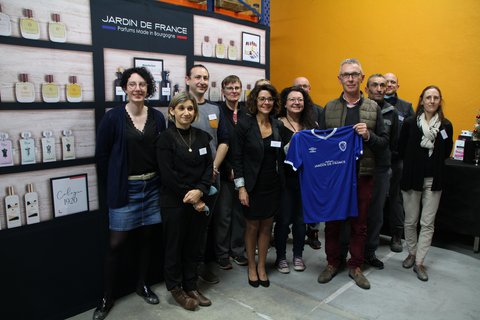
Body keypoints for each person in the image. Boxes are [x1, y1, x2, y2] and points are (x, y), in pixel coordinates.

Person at [94, 67, 166, 320]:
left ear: (148, 88)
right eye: (132, 84)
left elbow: (162, 152)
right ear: (125, 88)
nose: (138, 89)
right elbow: (102, 156)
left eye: (142, 84)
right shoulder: (112, 118)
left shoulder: (157, 117)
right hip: (126, 189)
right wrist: (113, 182)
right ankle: (106, 297)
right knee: (116, 244)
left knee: (147, 240)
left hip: (153, 187)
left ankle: (142, 285)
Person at [317, 58, 388, 290]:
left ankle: (355, 265)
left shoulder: (373, 108)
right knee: (333, 222)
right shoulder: (329, 107)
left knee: (360, 223)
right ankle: (332, 263)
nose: (350, 78)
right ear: (339, 79)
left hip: (362, 175)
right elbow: (322, 142)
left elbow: (384, 143)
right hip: (335, 177)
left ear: (362, 78)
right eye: (346, 75)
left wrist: (368, 136)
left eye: (354, 74)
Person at [157, 91, 214, 310]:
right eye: (181, 108)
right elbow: (168, 174)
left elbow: (209, 166)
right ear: (172, 111)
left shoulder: (201, 137)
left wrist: (200, 191)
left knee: (194, 246)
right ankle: (176, 289)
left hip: (198, 199)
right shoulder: (165, 139)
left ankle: (191, 285)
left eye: (190, 109)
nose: (186, 113)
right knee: (174, 247)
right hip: (174, 202)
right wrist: (192, 198)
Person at [231, 83, 284, 288]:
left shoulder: (277, 125)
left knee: (266, 227)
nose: (266, 102)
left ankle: (262, 266)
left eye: (270, 99)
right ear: (255, 101)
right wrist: (241, 188)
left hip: (272, 184)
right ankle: (251, 266)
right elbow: (236, 158)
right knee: (252, 226)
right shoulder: (244, 124)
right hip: (252, 185)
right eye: (262, 99)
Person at [398, 85, 453, 281]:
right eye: (428, 97)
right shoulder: (410, 123)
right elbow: (401, 148)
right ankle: (411, 253)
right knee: (410, 221)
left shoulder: (446, 126)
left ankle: (420, 262)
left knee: (427, 223)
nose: (431, 101)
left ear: (440, 101)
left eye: (435, 97)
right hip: (412, 178)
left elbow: (446, 151)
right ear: (421, 100)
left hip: (433, 180)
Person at [185, 64, 229, 284]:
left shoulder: (215, 109)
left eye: (205, 77)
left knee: (206, 225)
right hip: (189, 179)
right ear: (187, 80)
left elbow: (224, 141)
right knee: (189, 226)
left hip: (212, 176)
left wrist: (213, 167)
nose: (201, 81)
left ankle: (200, 265)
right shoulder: (181, 107)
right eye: (197, 77)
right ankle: (188, 270)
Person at [274, 86, 317, 274]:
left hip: (305, 181)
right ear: (285, 103)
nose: (296, 103)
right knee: (283, 220)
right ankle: (281, 256)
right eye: (292, 99)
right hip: (284, 181)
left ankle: (298, 255)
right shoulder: (277, 124)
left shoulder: (311, 125)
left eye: (300, 99)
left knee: (301, 221)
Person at [363, 74, 399, 269]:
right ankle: (350, 252)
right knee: (355, 213)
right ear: (367, 88)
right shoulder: (360, 108)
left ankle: (370, 252)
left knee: (376, 214)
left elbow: (393, 143)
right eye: (374, 85)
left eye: (382, 85)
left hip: (381, 169)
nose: (379, 88)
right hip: (359, 168)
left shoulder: (392, 113)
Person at [214, 75, 248, 270]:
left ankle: (237, 251)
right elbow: (219, 142)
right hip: (226, 172)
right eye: (230, 88)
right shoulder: (217, 111)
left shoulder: (247, 112)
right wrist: (228, 169)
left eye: (237, 88)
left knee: (239, 214)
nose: (234, 91)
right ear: (223, 91)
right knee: (224, 215)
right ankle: (222, 254)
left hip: (243, 172)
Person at [383, 72, 415, 252]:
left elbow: (412, 135)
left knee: (396, 198)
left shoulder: (406, 107)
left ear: (397, 85)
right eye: (386, 82)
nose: (388, 85)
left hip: (397, 162)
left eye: (392, 82)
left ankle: (396, 235)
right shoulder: (375, 105)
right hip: (377, 161)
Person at [293, 76, 323, 250]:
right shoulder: (286, 111)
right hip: (295, 164)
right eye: (298, 86)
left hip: (314, 164)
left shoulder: (318, 111)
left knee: (313, 200)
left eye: (305, 86)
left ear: (310, 88)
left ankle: (313, 232)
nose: (302, 89)